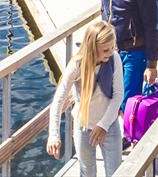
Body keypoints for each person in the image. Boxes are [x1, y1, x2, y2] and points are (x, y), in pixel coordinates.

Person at [46, 20, 123, 176]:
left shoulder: (115, 59)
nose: (110, 52)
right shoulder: (77, 65)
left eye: (112, 48)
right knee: (87, 171)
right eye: (105, 50)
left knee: (115, 172)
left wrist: (103, 125)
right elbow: (58, 100)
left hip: (109, 124)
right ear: (93, 48)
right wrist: (54, 134)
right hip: (84, 126)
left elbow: (118, 95)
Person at [93, 0, 158, 107]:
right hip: (109, 50)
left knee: (126, 104)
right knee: (106, 99)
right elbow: (104, 8)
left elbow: (152, 24)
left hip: (134, 53)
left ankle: (129, 135)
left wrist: (152, 64)